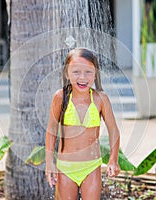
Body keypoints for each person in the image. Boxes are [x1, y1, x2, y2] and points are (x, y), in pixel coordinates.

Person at [45, 48, 121, 199]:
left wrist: (113, 159)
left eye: (88, 72)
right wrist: (49, 162)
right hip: (65, 167)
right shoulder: (60, 97)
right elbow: (51, 129)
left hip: (91, 166)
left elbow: (113, 130)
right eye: (76, 72)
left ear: (95, 74)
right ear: (67, 73)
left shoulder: (100, 99)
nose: (82, 77)